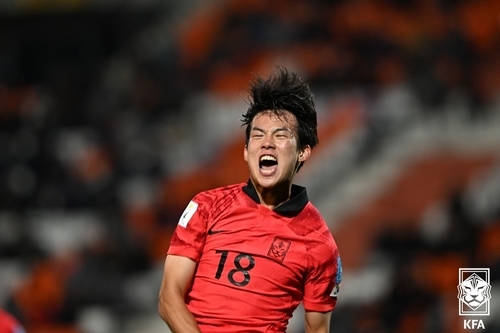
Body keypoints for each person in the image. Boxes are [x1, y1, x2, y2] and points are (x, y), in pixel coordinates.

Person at [158, 66, 342, 333]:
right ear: (246, 151)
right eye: (258, 134)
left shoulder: (320, 244)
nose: (267, 143)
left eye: (280, 135)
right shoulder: (206, 206)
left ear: (303, 151)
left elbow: (318, 330)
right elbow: (168, 297)